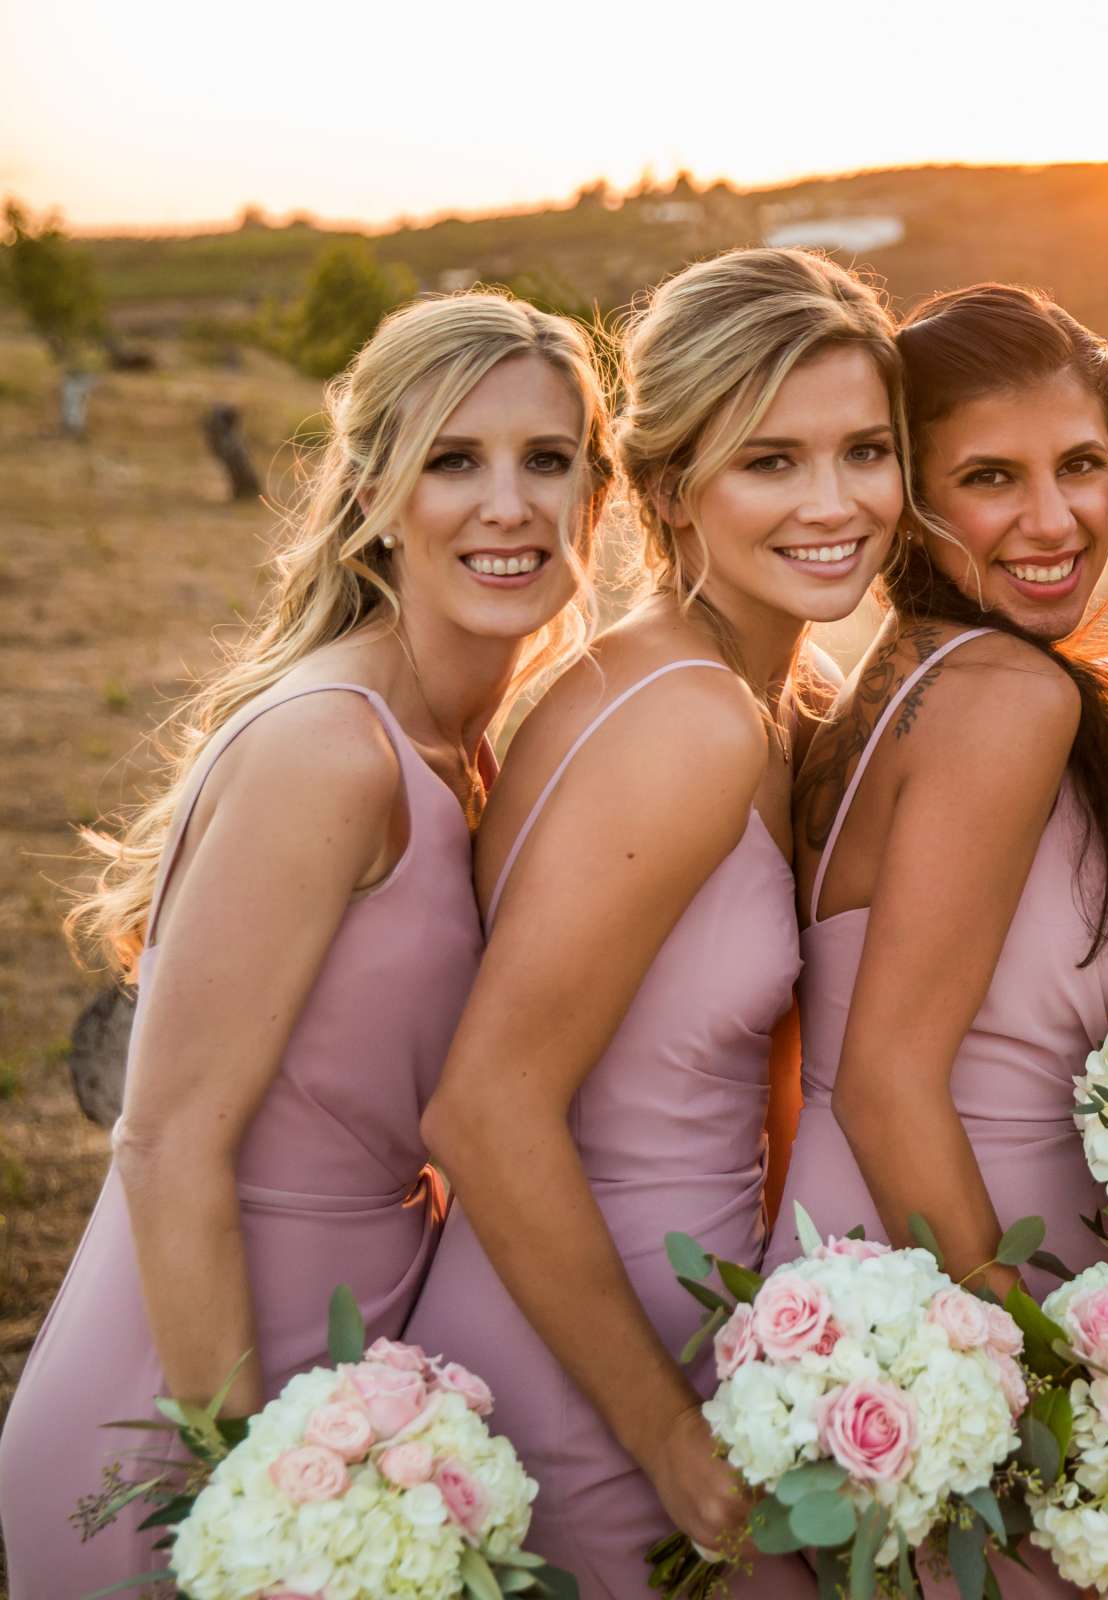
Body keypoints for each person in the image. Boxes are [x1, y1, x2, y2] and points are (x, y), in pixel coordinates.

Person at [0, 292, 613, 1594]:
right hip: (194, 1407)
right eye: (455, 460)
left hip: (356, 1383)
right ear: (381, 491)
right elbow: (166, 1145)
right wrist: (251, 1497)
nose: (506, 503)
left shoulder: (469, 742)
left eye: (546, 460)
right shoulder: (329, 751)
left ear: (598, 496)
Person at [408, 248, 903, 1597]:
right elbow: (484, 1108)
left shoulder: (704, 686)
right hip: (598, 1363)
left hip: (663, 1326)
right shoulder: (685, 721)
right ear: (674, 489)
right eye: (772, 461)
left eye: (866, 448)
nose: (835, 500)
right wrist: (671, 1440)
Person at [773, 282, 1108, 1294]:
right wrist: (1038, 1364)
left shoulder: (891, 672)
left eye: (1080, 466)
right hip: (960, 1267)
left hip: (855, 1254)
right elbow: (884, 1087)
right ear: (910, 501)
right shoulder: (1007, 697)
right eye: (992, 476)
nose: (1053, 520)